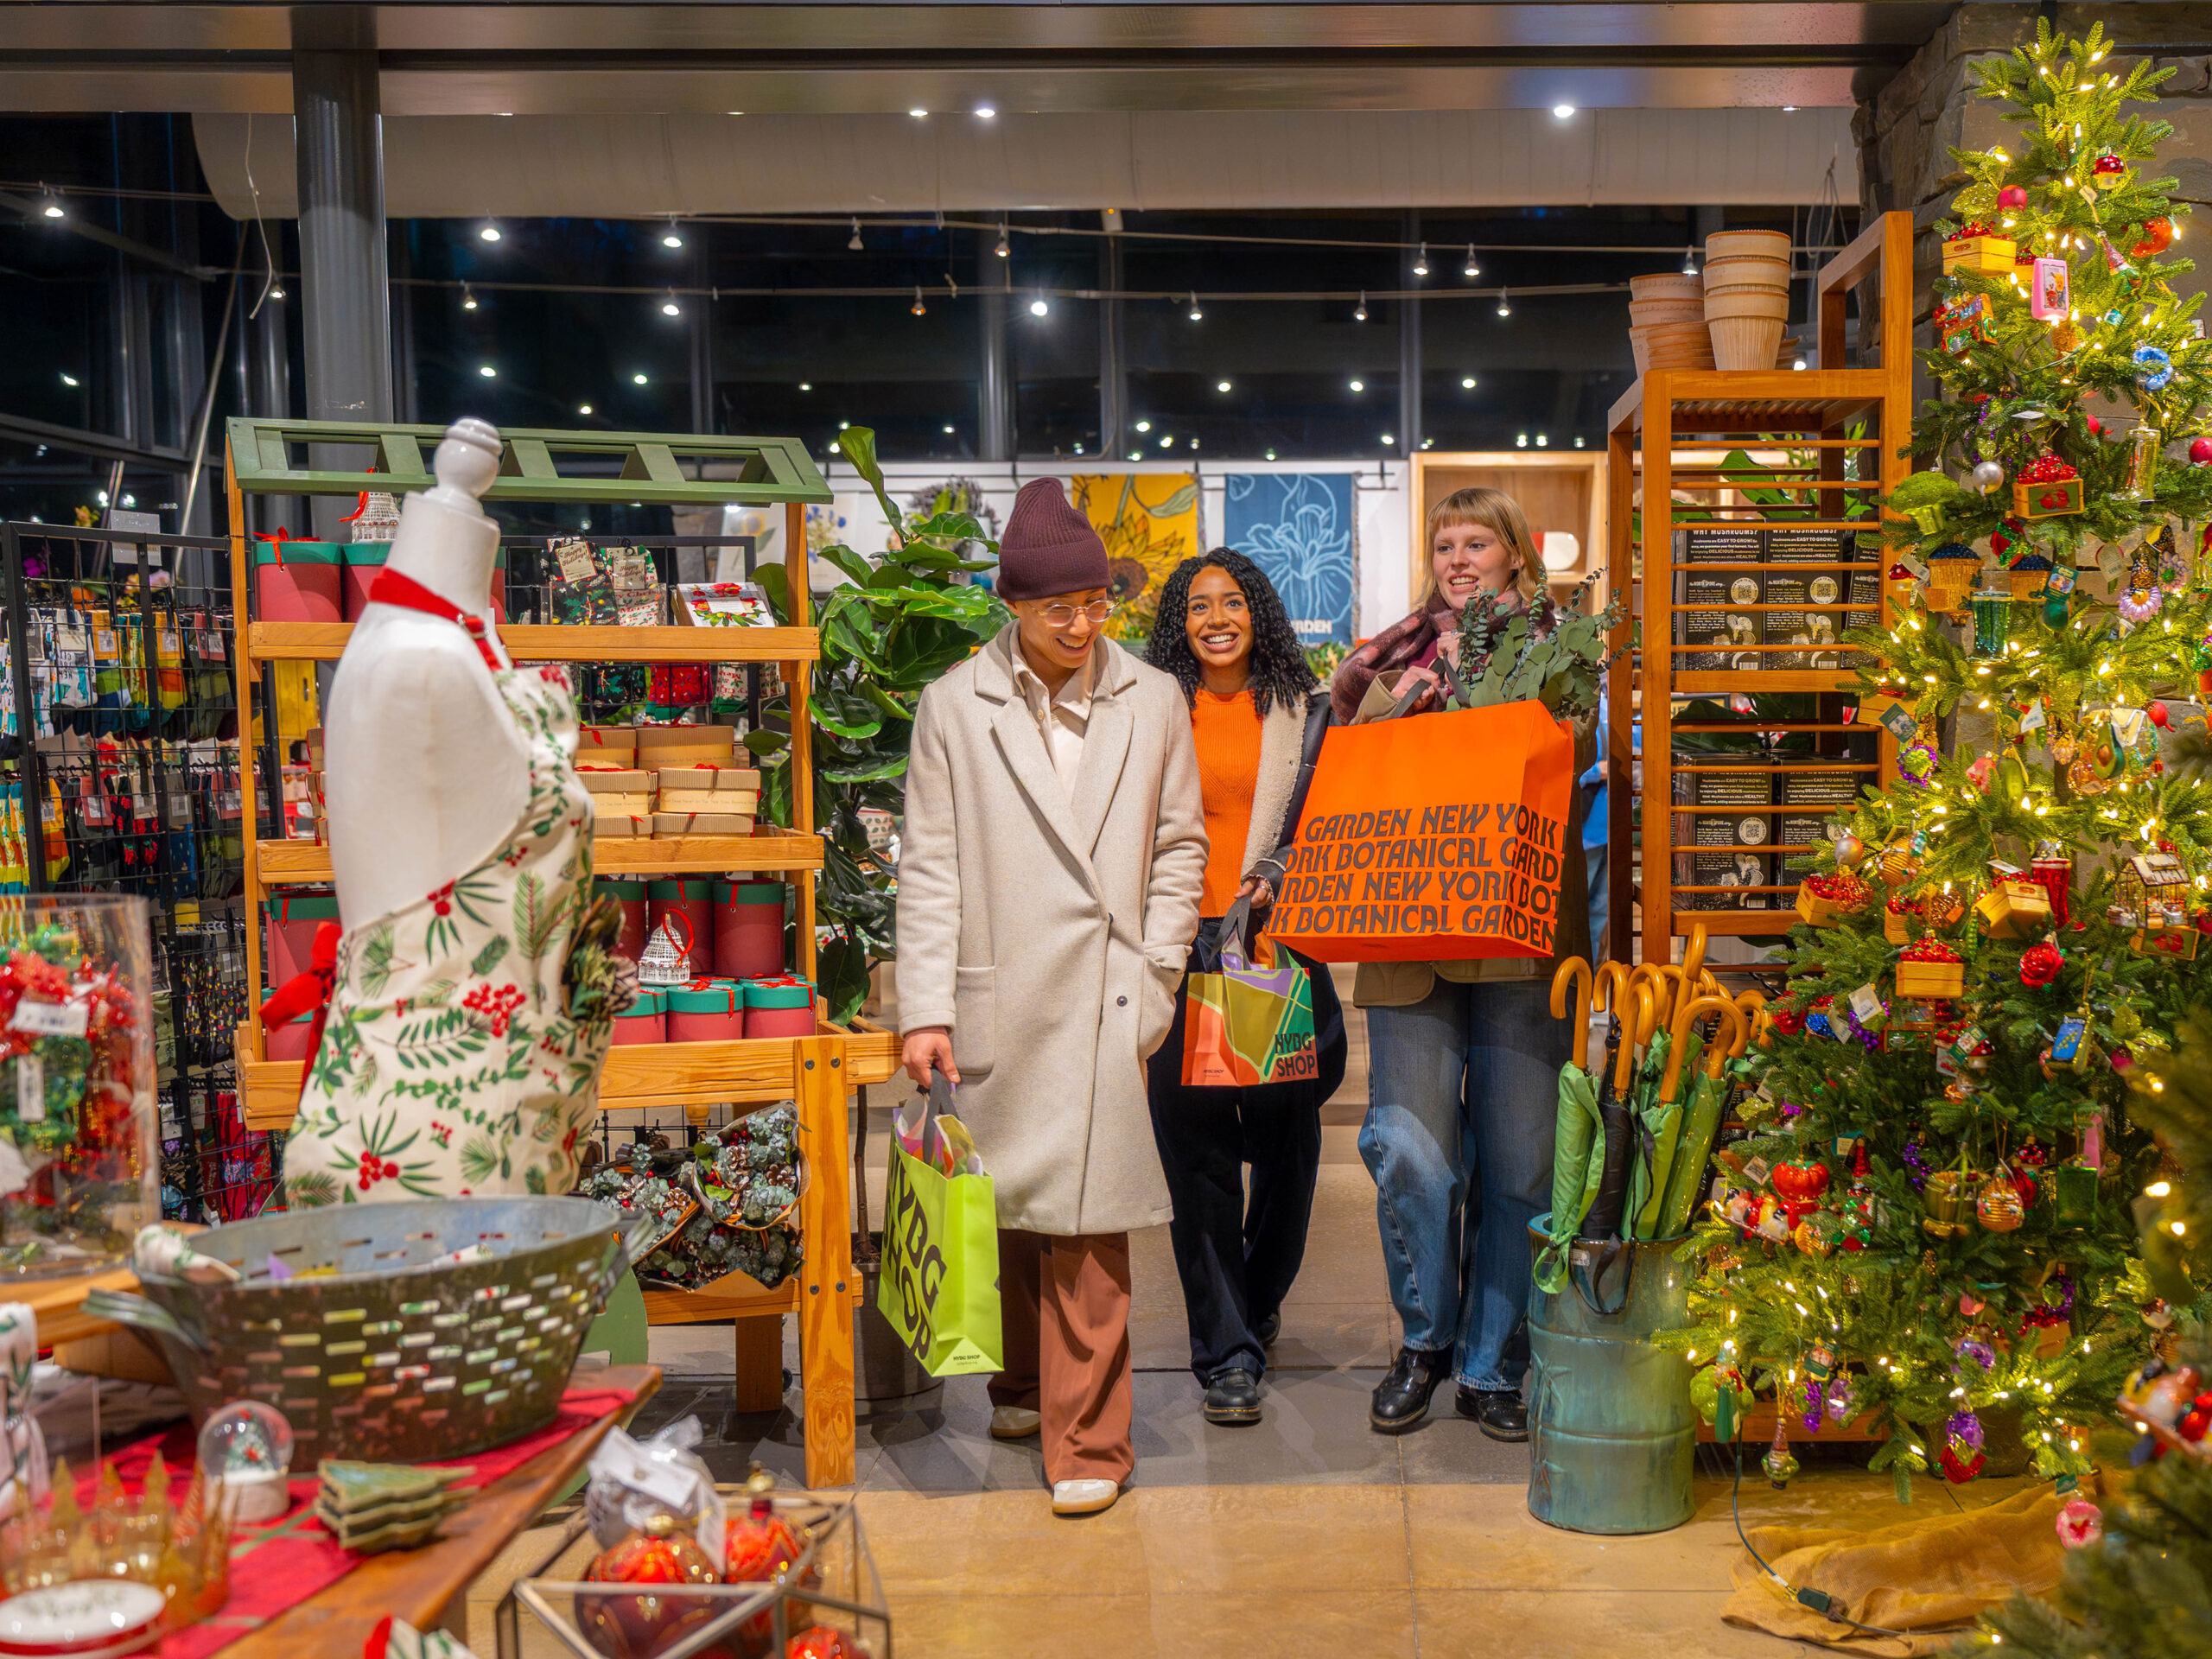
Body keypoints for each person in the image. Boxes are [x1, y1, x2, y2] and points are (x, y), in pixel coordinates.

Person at [896, 476, 1208, 1517]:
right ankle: (1024, 1389)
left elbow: (1179, 846)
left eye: (1096, 603)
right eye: (1057, 609)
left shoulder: (1151, 698)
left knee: (1089, 1221)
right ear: (1012, 606)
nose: (1082, 626)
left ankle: (1091, 1441)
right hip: (999, 986)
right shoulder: (954, 705)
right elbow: (929, 866)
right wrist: (923, 1007)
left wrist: (1157, 970)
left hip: (1110, 993)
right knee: (1011, 1204)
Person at [1330, 486, 1596, 1441]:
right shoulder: (1394, 656)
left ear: (1517, 553)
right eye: (1445, 545)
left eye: (1477, 542)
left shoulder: (1566, 653)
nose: (1458, 560)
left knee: (1522, 1162)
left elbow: (1579, 759)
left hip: (1521, 935)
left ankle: (1493, 1365)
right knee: (1410, 1153)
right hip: (1408, 929)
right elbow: (1349, 762)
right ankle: (1424, 1340)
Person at [1140, 550, 1346, 1427]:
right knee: (1196, 1158)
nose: (1216, 619)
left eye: (1231, 602)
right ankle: (1226, 1349)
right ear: (1177, 623)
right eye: (1198, 606)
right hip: (1178, 948)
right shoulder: (1151, 710)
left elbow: (1331, 823)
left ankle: (1256, 1303)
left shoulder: (1306, 712)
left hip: (1273, 951)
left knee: (1287, 1145)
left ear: (1258, 612)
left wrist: (1279, 872)